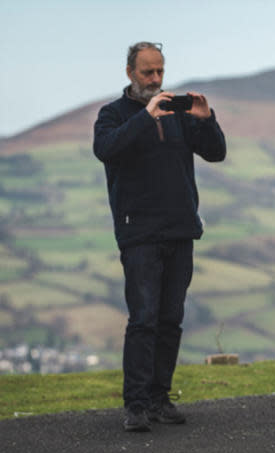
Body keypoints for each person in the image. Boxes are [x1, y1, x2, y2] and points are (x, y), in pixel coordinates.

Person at [93, 42, 227, 432]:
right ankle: (135, 405)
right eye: (148, 72)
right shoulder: (112, 115)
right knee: (144, 319)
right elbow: (106, 148)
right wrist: (145, 116)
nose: (155, 79)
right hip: (139, 233)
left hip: (180, 230)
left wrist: (205, 118)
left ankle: (159, 399)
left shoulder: (178, 116)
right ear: (130, 72)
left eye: (160, 72)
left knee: (170, 319)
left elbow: (216, 152)